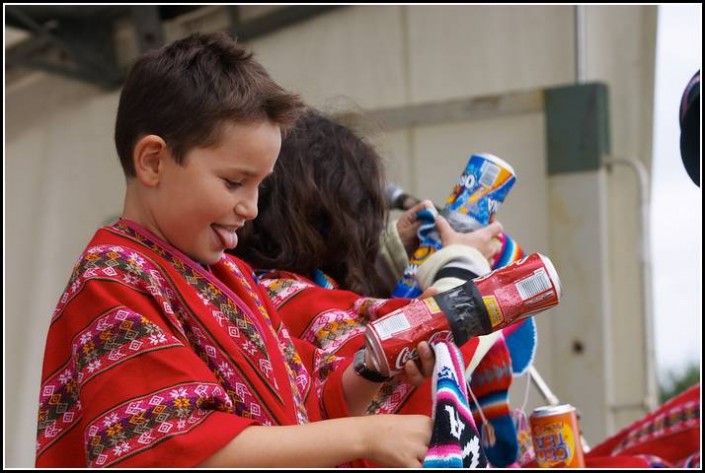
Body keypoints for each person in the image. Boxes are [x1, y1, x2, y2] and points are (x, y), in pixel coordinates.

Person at [34, 32, 439, 468]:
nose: (251, 208)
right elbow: (173, 450)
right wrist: (364, 437)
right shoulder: (113, 278)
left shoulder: (232, 277)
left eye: (261, 185)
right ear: (152, 161)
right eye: (233, 182)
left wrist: (376, 367)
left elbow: (308, 406)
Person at [235, 109, 506, 421]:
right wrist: (463, 259)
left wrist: (393, 255)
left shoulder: (259, 283)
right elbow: (409, 361)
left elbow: (346, 305)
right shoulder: (285, 297)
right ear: (335, 218)